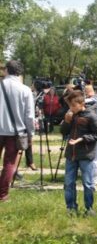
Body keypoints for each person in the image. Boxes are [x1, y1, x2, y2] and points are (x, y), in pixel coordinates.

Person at [61, 90, 97, 216]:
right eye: (69, 106)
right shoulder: (71, 115)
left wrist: (82, 138)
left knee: (88, 183)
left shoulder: (91, 116)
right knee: (69, 182)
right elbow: (64, 132)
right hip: (71, 154)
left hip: (85, 154)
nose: (71, 108)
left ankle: (89, 208)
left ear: (81, 103)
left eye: (73, 106)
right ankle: (71, 207)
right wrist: (67, 122)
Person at [0, 60, 35, 202]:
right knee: (9, 163)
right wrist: (30, 133)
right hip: (15, 132)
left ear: (6, 70)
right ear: (19, 72)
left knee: (9, 163)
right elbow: (29, 116)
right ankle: (2, 194)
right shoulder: (25, 90)